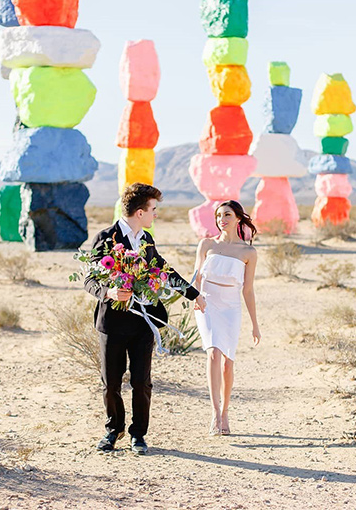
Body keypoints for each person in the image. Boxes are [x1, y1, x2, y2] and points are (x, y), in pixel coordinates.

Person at [84, 182, 206, 455]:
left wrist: (193, 294)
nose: (155, 215)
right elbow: (90, 279)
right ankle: (112, 431)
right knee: (111, 382)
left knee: (142, 381)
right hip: (113, 323)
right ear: (140, 212)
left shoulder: (147, 240)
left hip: (143, 323)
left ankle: (138, 434)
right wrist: (109, 291)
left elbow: (163, 270)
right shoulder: (106, 238)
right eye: (153, 210)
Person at [194, 200, 261, 436]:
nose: (222, 219)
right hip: (208, 303)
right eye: (219, 215)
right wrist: (196, 296)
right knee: (213, 353)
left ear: (239, 218)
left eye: (228, 214)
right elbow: (196, 278)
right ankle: (214, 413)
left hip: (231, 306)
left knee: (227, 364)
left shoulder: (248, 252)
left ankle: (225, 412)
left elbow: (248, 290)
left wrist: (255, 324)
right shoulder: (206, 244)